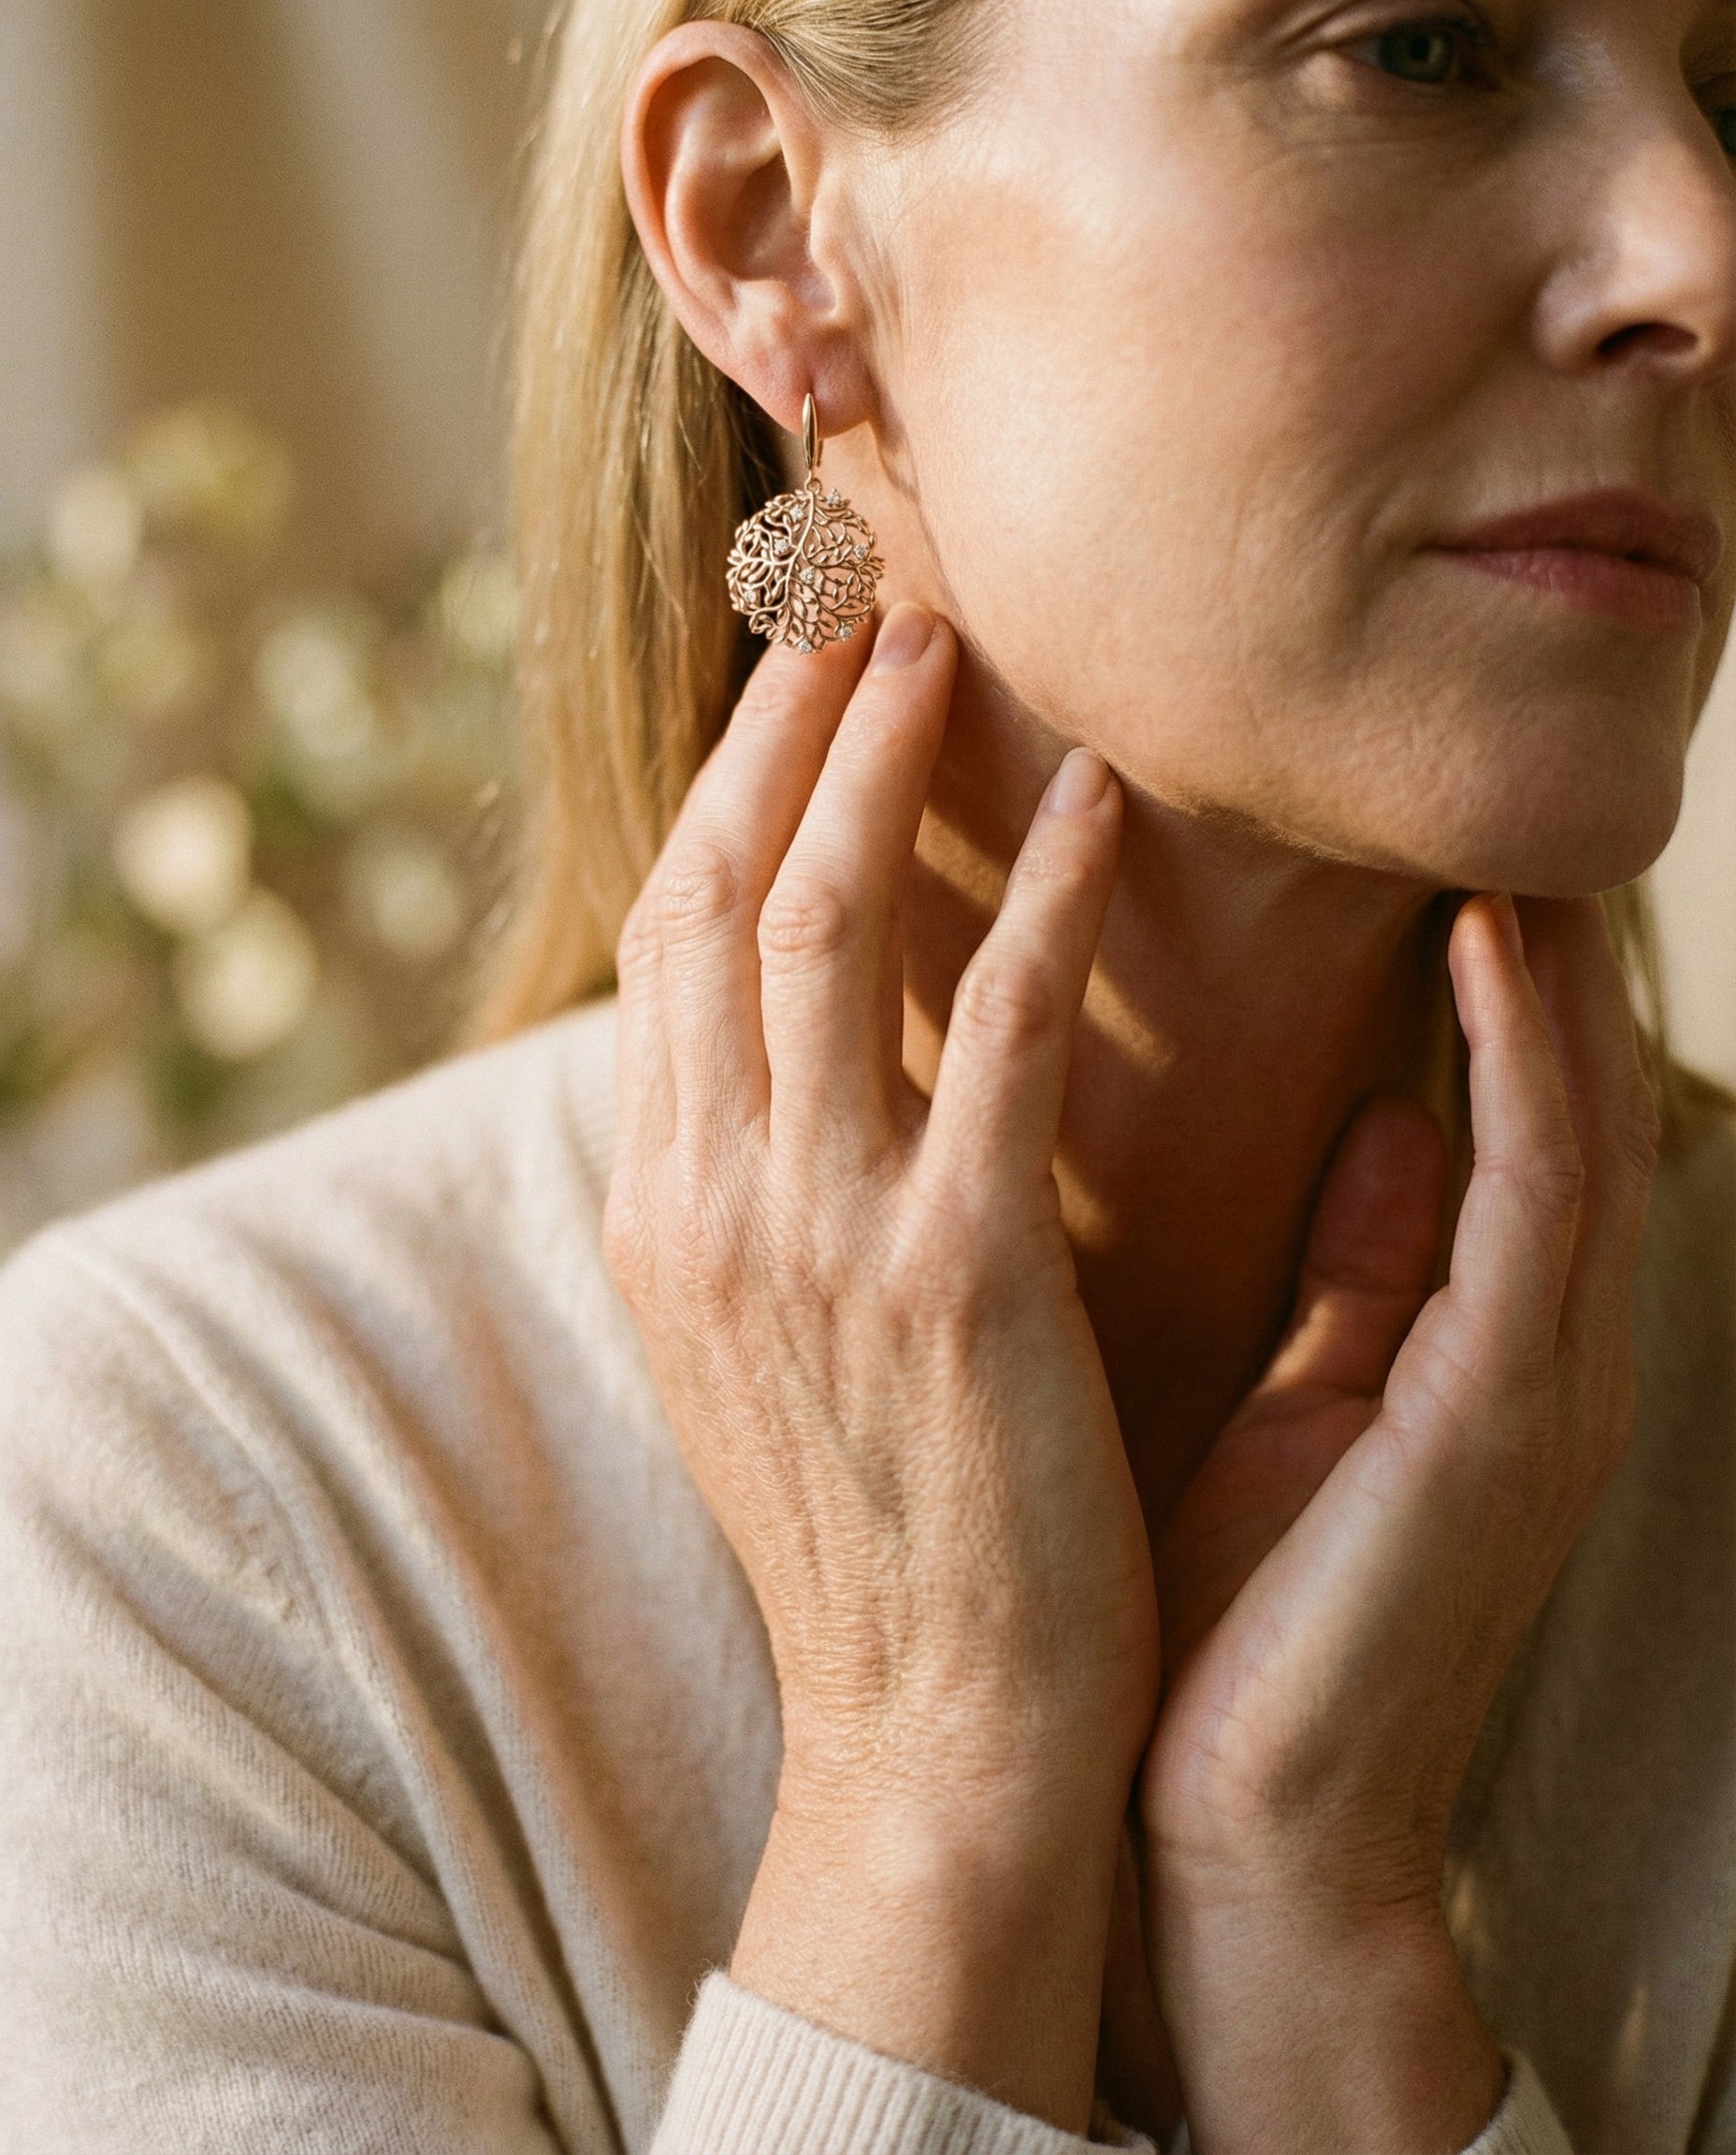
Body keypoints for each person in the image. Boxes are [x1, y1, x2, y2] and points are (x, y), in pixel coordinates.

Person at [4, 0, 1736, 2148]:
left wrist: (1317, 1896)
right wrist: (935, 1778)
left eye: (1735, 104)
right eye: (1416, 47)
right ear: (766, 228)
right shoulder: (164, 1518)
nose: (1699, 251)